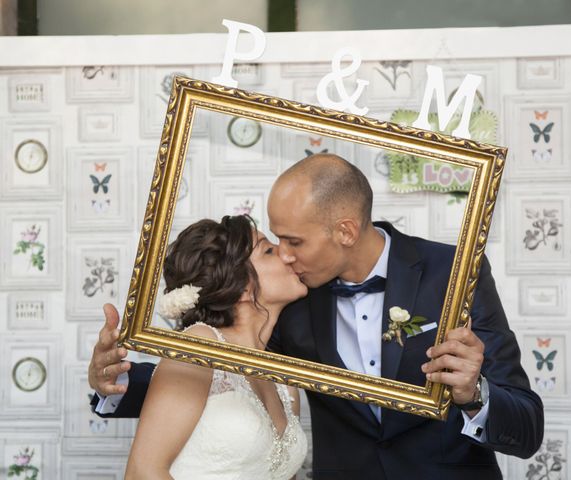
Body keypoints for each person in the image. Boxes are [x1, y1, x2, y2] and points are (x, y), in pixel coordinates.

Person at [90, 154, 544, 479]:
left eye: (293, 242)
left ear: (345, 230)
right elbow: (215, 368)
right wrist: (115, 381)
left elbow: (526, 427)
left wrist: (474, 393)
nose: (285, 257)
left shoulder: (453, 273)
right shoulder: (292, 299)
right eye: (273, 245)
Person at [122, 216, 308, 479]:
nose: (288, 255)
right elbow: (143, 472)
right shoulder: (198, 347)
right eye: (269, 250)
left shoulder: (284, 383)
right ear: (241, 285)